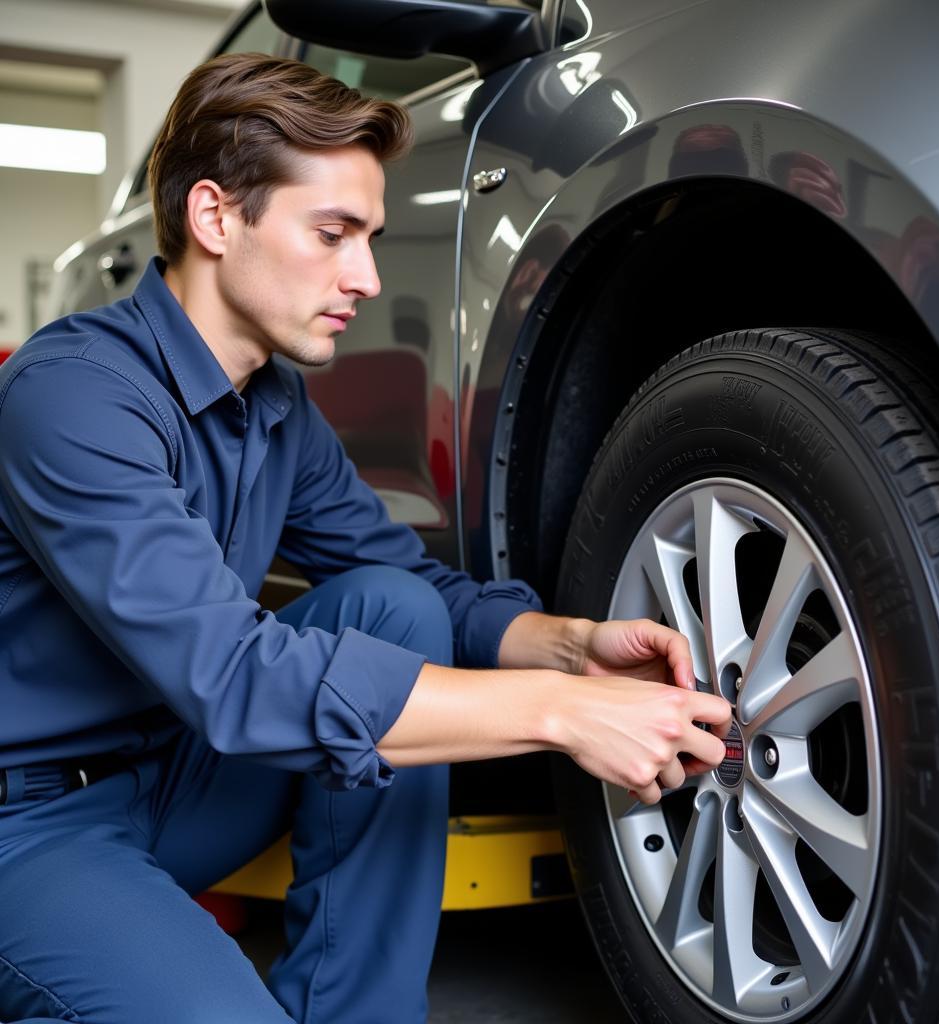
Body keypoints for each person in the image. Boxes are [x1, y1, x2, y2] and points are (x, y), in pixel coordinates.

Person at [0, 53, 731, 1024]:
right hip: (31, 821)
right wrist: (558, 711)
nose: (367, 277)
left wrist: (573, 646)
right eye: (334, 234)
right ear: (215, 218)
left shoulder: (277, 410)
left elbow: (406, 581)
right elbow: (234, 675)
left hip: (172, 782)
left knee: (396, 607)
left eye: (371, 238)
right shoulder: (73, 395)